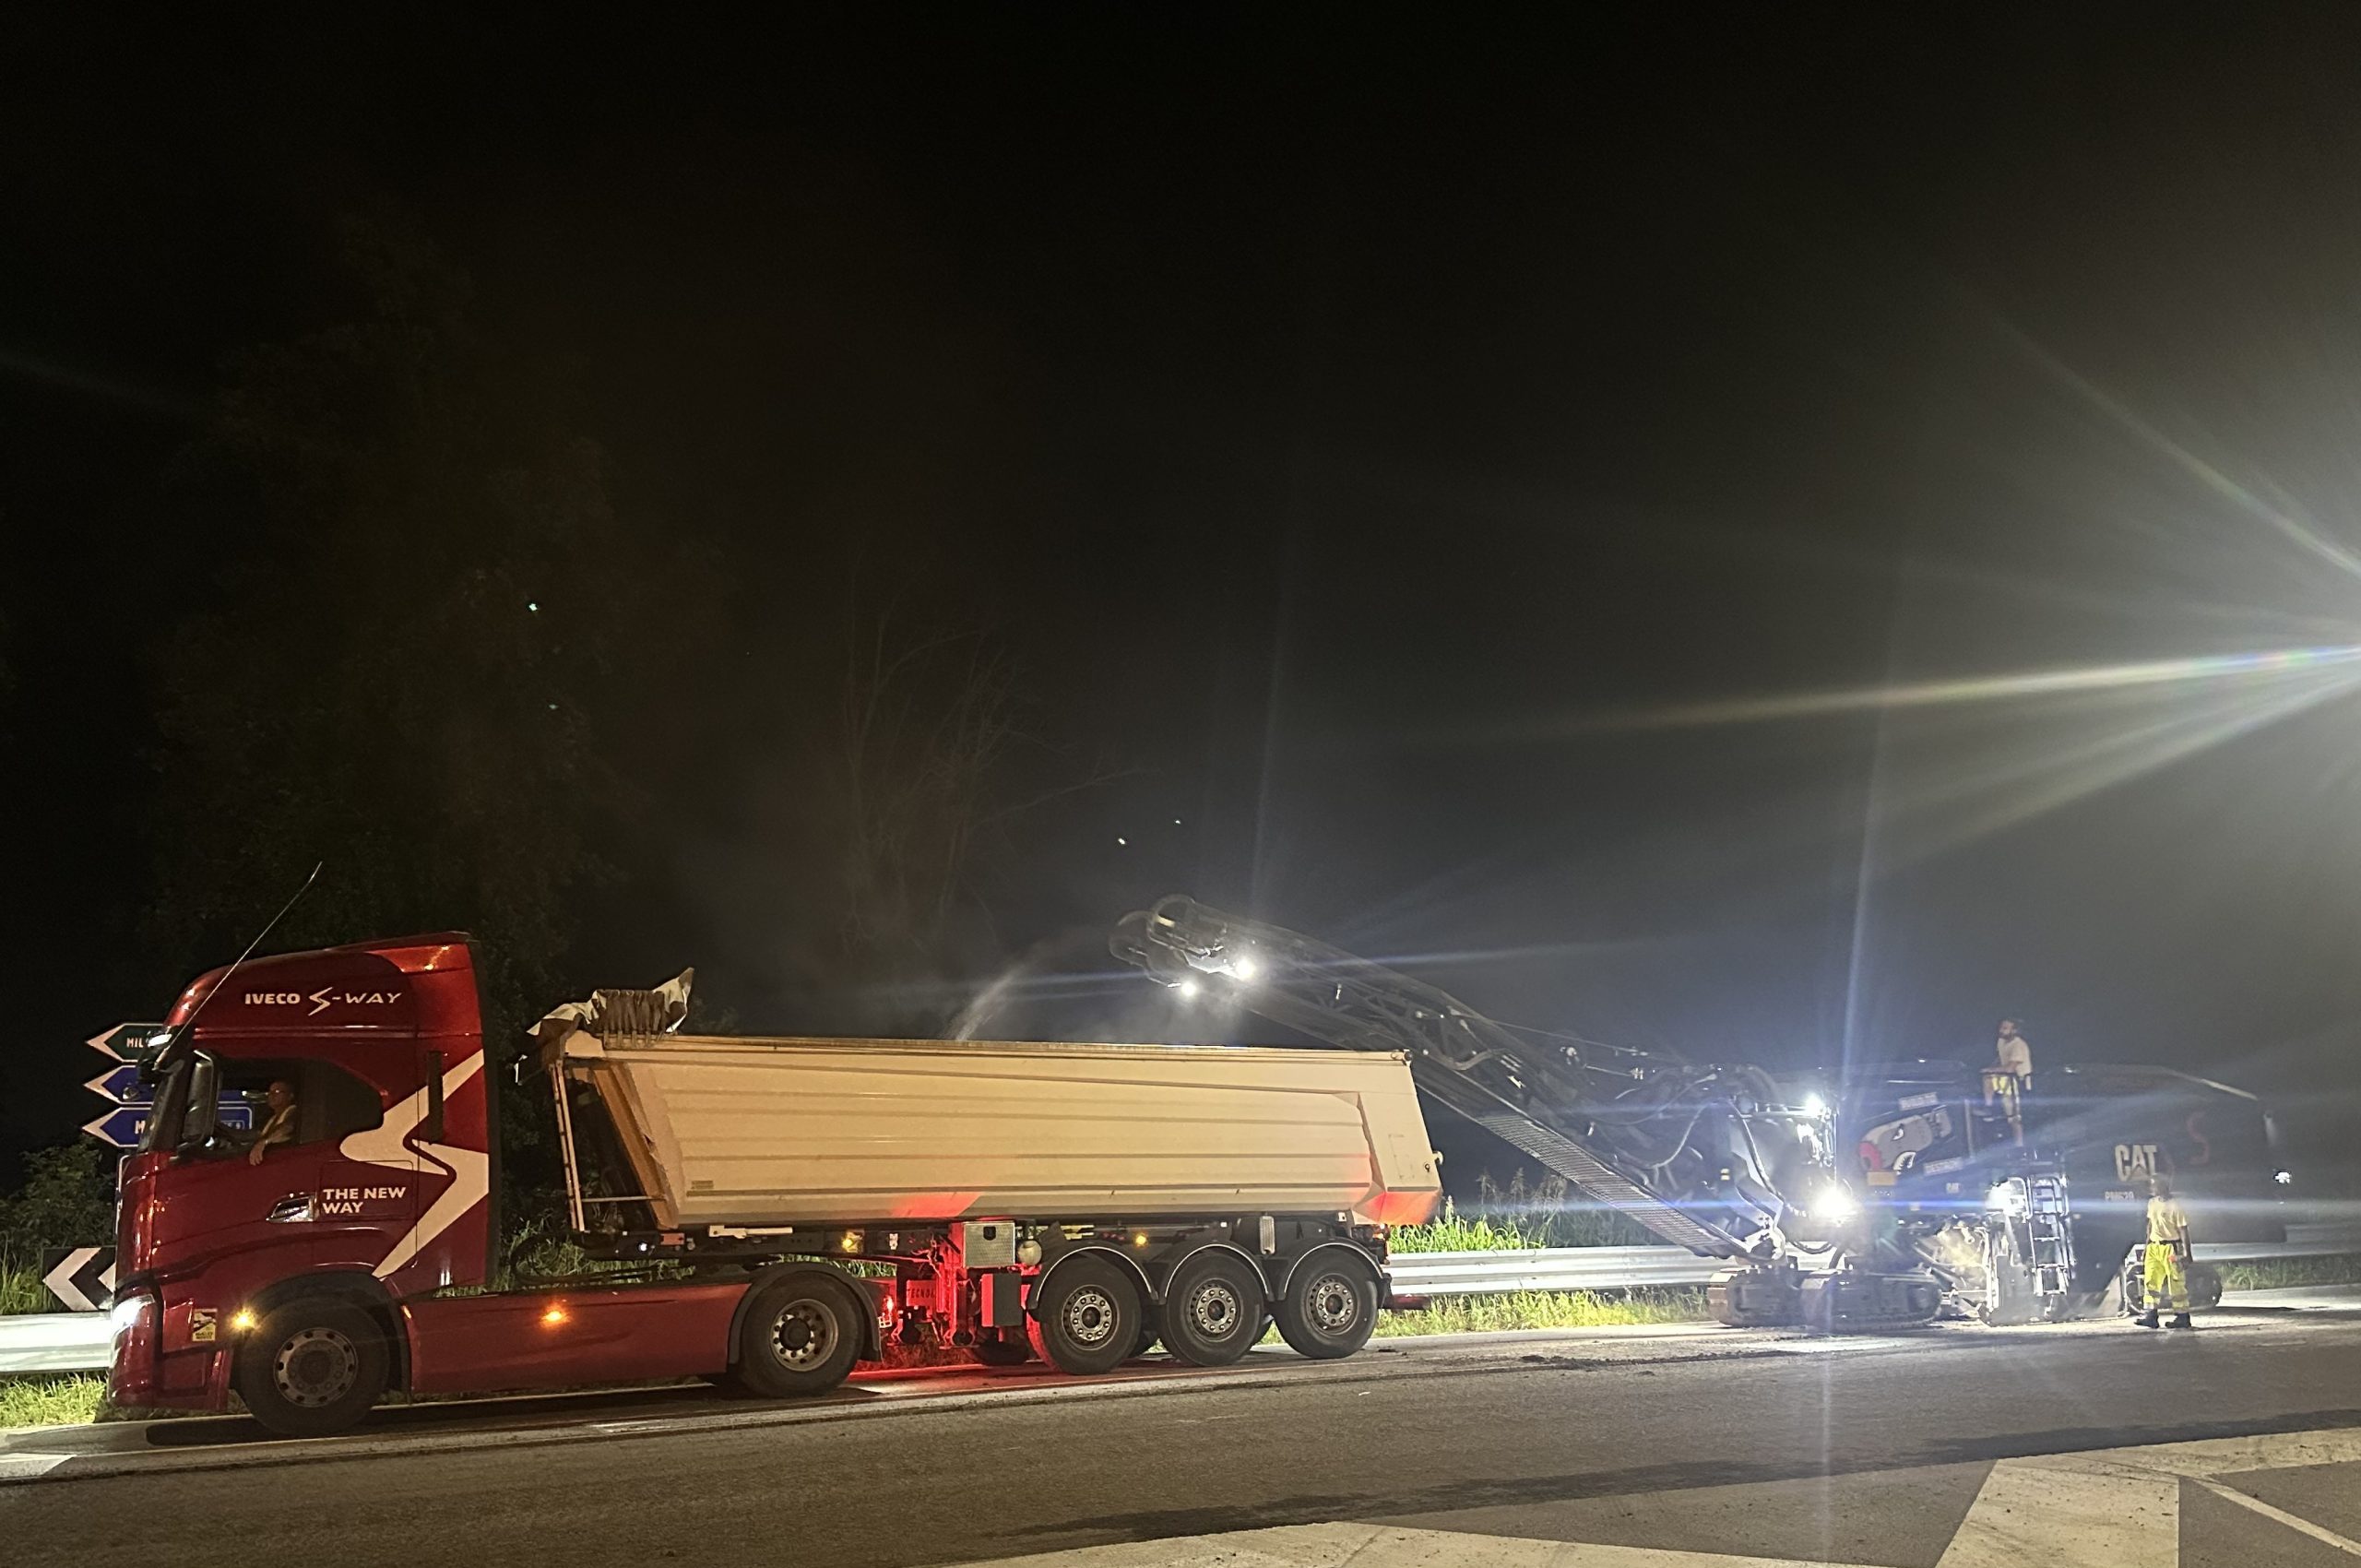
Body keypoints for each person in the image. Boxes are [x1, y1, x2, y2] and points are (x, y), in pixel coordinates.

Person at [2136, 1172, 2195, 1330]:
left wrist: (2187, 1254)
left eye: (2154, 1184)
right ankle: (2151, 1315)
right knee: (2151, 1281)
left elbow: (2183, 1230)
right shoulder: (2152, 1203)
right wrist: (2146, 1246)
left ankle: (2182, 1316)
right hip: (2154, 1247)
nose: (2152, 1188)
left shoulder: (2175, 1206)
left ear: (2163, 1186)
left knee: (2175, 1283)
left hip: (2171, 1248)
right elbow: (2150, 1226)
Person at [246, 1079, 299, 1165]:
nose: (271, 1095)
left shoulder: (294, 1114)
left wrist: (264, 1142)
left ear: (290, 1096)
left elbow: (287, 1128)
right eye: (270, 1092)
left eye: (277, 1091)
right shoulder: (271, 1119)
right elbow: (255, 1134)